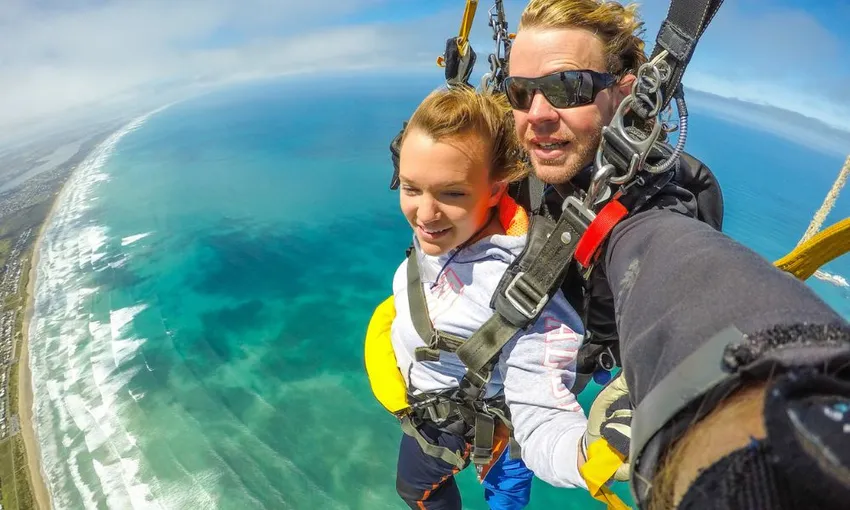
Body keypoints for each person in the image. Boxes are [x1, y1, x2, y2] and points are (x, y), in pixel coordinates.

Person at [367, 84, 625, 509]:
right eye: (411, 188)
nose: (425, 215)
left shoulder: (523, 294)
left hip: (464, 421)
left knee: (458, 494)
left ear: (495, 190)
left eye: (452, 193)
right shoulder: (454, 229)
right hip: (441, 402)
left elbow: (543, 415)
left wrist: (587, 455)